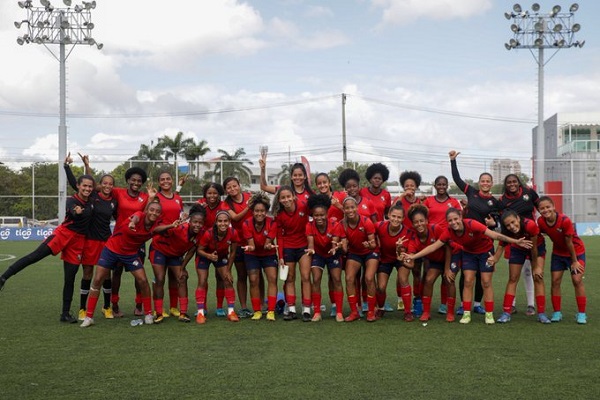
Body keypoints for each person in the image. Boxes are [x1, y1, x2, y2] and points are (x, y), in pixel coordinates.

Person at [402, 208, 532, 325]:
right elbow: (433, 247)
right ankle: (466, 313)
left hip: (485, 252)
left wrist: (516, 241)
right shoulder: (448, 232)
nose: (453, 222)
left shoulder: (471, 224)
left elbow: (495, 235)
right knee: (468, 281)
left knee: (486, 282)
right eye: (450, 220)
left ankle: (489, 314)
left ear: (460, 217)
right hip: (469, 253)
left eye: (455, 219)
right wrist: (413, 256)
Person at [0, 174, 95, 323]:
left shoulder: (92, 201)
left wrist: (67, 167)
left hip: (78, 242)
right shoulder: (72, 200)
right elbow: (73, 212)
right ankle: (3, 278)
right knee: (34, 256)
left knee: (70, 278)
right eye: (84, 185)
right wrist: (76, 213)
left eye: (90, 186)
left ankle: (65, 314)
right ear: (78, 186)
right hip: (63, 234)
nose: (87, 188)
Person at [80, 199, 162, 327]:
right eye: (151, 210)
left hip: (130, 254)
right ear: (146, 210)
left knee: (143, 281)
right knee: (97, 280)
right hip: (111, 250)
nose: (154, 213)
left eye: (157, 211)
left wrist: (174, 224)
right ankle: (89, 317)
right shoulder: (139, 215)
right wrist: (132, 223)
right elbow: (135, 218)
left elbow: (163, 227)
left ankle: (148, 314)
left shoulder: (156, 224)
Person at [64, 154, 117, 321]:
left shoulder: (114, 201)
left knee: (106, 275)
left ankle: (107, 307)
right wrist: (86, 165)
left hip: (106, 241)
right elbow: (80, 183)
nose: (107, 186)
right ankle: (82, 308)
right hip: (90, 240)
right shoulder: (93, 196)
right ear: (100, 185)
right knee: (88, 273)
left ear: (113, 186)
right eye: (104, 183)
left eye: (111, 184)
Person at [449, 150, 501, 316]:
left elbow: (500, 220)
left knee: (482, 277)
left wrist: (494, 224)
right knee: (466, 276)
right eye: (482, 181)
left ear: (491, 183)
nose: (485, 183)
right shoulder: (471, 192)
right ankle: (463, 306)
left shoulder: (495, 202)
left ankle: (478, 304)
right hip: (467, 242)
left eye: (488, 181)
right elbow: (457, 179)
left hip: (485, 243)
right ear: (479, 183)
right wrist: (453, 161)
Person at [487, 210, 550, 324]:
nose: (511, 226)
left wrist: (535, 267)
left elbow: (534, 248)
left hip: (536, 248)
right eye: (508, 225)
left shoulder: (530, 225)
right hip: (517, 248)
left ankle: (541, 313)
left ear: (518, 218)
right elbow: (502, 244)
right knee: (513, 278)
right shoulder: (506, 230)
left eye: (513, 222)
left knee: (538, 277)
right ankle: (506, 312)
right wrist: (495, 259)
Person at [150, 205, 205, 324]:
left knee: (182, 277)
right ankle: (159, 313)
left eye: (200, 223)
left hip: (174, 255)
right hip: (159, 249)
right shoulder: (180, 228)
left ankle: (183, 313)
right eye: (195, 222)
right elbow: (155, 230)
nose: (197, 225)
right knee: (159, 279)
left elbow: (191, 251)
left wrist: (183, 267)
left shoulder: (200, 234)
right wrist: (171, 225)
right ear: (189, 221)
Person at [536, 196, 587, 324]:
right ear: (539, 211)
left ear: (553, 206)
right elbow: (538, 236)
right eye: (542, 208)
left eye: (548, 207)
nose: (545, 210)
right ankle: (557, 312)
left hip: (576, 252)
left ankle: (581, 314)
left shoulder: (564, 220)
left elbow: (569, 243)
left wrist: (574, 261)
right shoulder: (541, 221)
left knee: (577, 280)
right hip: (558, 254)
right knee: (555, 281)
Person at [110, 166, 151, 317]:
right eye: (133, 180)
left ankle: (139, 305)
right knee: (117, 272)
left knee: (138, 274)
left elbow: (148, 213)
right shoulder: (118, 192)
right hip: (119, 240)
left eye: (139, 181)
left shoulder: (145, 197)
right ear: (128, 180)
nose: (136, 182)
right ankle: (114, 304)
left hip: (137, 240)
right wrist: (87, 167)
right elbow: (98, 187)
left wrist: (152, 198)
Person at [405, 204, 457, 323]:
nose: (419, 224)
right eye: (416, 222)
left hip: (450, 258)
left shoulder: (436, 228)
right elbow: (411, 259)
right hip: (435, 261)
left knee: (449, 280)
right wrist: (403, 259)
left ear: (427, 221)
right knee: (428, 280)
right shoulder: (413, 239)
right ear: (412, 224)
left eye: (421, 221)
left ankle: (450, 312)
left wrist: (447, 268)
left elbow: (448, 247)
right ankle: (426, 312)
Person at [499, 174, 540, 316]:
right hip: (514, 240)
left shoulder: (529, 192)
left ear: (518, 182)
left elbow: (540, 207)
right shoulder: (502, 200)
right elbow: (502, 220)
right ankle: (512, 305)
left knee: (529, 272)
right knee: (513, 275)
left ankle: (531, 305)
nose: (512, 184)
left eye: (514, 181)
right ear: (506, 184)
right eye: (509, 182)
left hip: (530, 237)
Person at [334, 197, 379, 322]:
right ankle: (354, 312)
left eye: (352, 207)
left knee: (369, 278)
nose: (350, 210)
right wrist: (341, 247)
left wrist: (369, 245)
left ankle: (371, 311)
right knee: (349, 278)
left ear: (357, 208)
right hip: (355, 253)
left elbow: (373, 244)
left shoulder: (366, 221)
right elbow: (344, 249)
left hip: (370, 252)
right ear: (343, 209)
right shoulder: (341, 224)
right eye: (347, 208)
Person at [423, 175, 462, 315]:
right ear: (435, 186)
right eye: (438, 184)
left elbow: (460, 218)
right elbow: (422, 218)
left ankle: (445, 305)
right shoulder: (428, 201)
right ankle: (424, 307)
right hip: (433, 242)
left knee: (448, 278)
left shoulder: (454, 202)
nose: (441, 187)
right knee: (427, 276)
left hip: (449, 242)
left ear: (447, 186)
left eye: (444, 184)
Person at [272, 185, 312, 321]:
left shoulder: (303, 206)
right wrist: (281, 256)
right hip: (288, 247)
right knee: (289, 278)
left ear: (294, 196)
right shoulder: (279, 214)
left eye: (288, 196)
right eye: (283, 198)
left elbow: (317, 215)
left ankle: (307, 309)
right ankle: (291, 309)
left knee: (306, 276)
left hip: (303, 247)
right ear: (279, 200)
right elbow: (280, 236)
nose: (286, 199)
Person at [194, 210, 240, 323]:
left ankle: (231, 312)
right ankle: (200, 313)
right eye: (220, 221)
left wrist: (228, 270)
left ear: (229, 222)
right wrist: (208, 256)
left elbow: (233, 252)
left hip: (221, 255)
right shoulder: (208, 233)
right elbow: (199, 250)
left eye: (225, 221)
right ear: (216, 222)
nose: (223, 223)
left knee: (228, 280)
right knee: (202, 281)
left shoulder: (233, 232)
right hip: (205, 255)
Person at [154, 170, 187, 319]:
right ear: (158, 182)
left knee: (177, 278)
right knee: (160, 278)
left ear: (172, 181)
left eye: (168, 179)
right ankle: (159, 310)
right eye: (162, 179)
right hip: (160, 244)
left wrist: (182, 218)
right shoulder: (155, 197)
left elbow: (178, 214)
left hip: (175, 245)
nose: (165, 181)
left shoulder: (178, 198)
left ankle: (175, 308)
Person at [306, 194, 344, 322]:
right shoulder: (309, 225)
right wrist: (311, 250)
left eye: (322, 215)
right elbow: (311, 243)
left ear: (327, 213)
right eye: (316, 215)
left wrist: (335, 247)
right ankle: (317, 312)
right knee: (316, 279)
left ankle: (339, 312)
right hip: (318, 254)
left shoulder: (335, 224)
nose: (319, 218)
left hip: (333, 253)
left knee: (336, 279)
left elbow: (335, 242)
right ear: (312, 215)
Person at [241, 192, 278, 321]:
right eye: (256, 211)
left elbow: (268, 242)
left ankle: (271, 311)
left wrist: (268, 245)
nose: (259, 214)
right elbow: (252, 244)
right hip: (252, 254)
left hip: (268, 254)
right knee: (253, 280)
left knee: (272, 278)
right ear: (252, 211)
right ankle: (257, 310)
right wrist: (250, 247)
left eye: (262, 211)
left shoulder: (272, 223)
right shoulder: (246, 223)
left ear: (266, 211)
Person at [393, 170, 424, 315]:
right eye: (407, 186)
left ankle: (417, 300)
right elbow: (392, 210)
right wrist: (402, 196)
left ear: (416, 187)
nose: (409, 188)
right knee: (402, 271)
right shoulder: (400, 201)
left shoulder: (420, 202)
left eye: (412, 185)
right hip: (403, 240)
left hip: (417, 240)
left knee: (417, 271)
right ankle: (400, 298)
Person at [223, 176, 253, 318]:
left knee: (256, 276)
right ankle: (243, 307)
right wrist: (249, 206)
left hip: (254, 242)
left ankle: (261, 306)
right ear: (226, 191)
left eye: (234, 186)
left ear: (239, 185)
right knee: (242, 276)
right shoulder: (226, 204)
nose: (232, 189)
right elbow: (235, 218)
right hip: (239, 243)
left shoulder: (249, 196)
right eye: (229, 187)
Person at [196, 182, 228, 317]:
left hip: (220, 247)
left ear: (219, 194)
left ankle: (220, 307)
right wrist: (198, 207)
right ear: (205, 195)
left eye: (215, 193)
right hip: (203, 247)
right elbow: (194, 216)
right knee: (203, 279)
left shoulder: (223, 206)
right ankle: (202, 308)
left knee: (221, 278)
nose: (212, 196)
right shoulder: (201, 204)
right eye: (209, 193)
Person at [375, 204, 411, 320]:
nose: (396, 219)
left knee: (403, 280)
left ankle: (407, 312)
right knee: (381, 287)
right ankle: (381, 308)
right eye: (393, 216)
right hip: (385, 259)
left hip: (400, 259)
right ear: (388, 215)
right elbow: (368, 232)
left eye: (399, 217)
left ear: (403, 219)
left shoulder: (408, 232)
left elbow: (407, 252)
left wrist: (401, 249)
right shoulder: (379, 226)